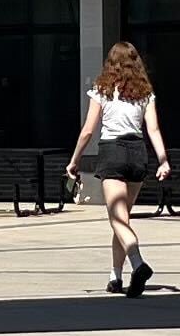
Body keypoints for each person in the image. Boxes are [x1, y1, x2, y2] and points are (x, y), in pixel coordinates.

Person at [65, 39, 172, 297]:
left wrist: (74, 160)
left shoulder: (101, 89)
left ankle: (138, 263)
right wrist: (163, 159)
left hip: (112, 152)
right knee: (122, 219)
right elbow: (153, 129)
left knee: (116, 218)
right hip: (137, 153)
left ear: (110, 63)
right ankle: (115, 276)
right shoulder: (145, 92)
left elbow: (88, 130)